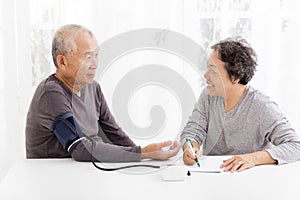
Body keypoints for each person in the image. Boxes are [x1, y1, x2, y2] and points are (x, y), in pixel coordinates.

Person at [25, 24, 180, 162]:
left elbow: (114, 133)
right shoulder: (51, 93)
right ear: (62, 62)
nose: (95, 64)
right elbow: (80, 149)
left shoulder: (93, 88)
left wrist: (144, 156)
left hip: (85, 171)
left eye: (96, 55)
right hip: (52, 177)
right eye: (87, 57)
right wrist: (143, 153)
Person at [181, 38, 300, 172]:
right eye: (208, 67)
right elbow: (192, 131)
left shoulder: (262, 106)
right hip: (213, 174)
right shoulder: (208, 96)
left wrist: (253, 158)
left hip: (251, 178)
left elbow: (295, 146)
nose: (206, 75)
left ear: (235, 78)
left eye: (213, 70)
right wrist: (190, 147)